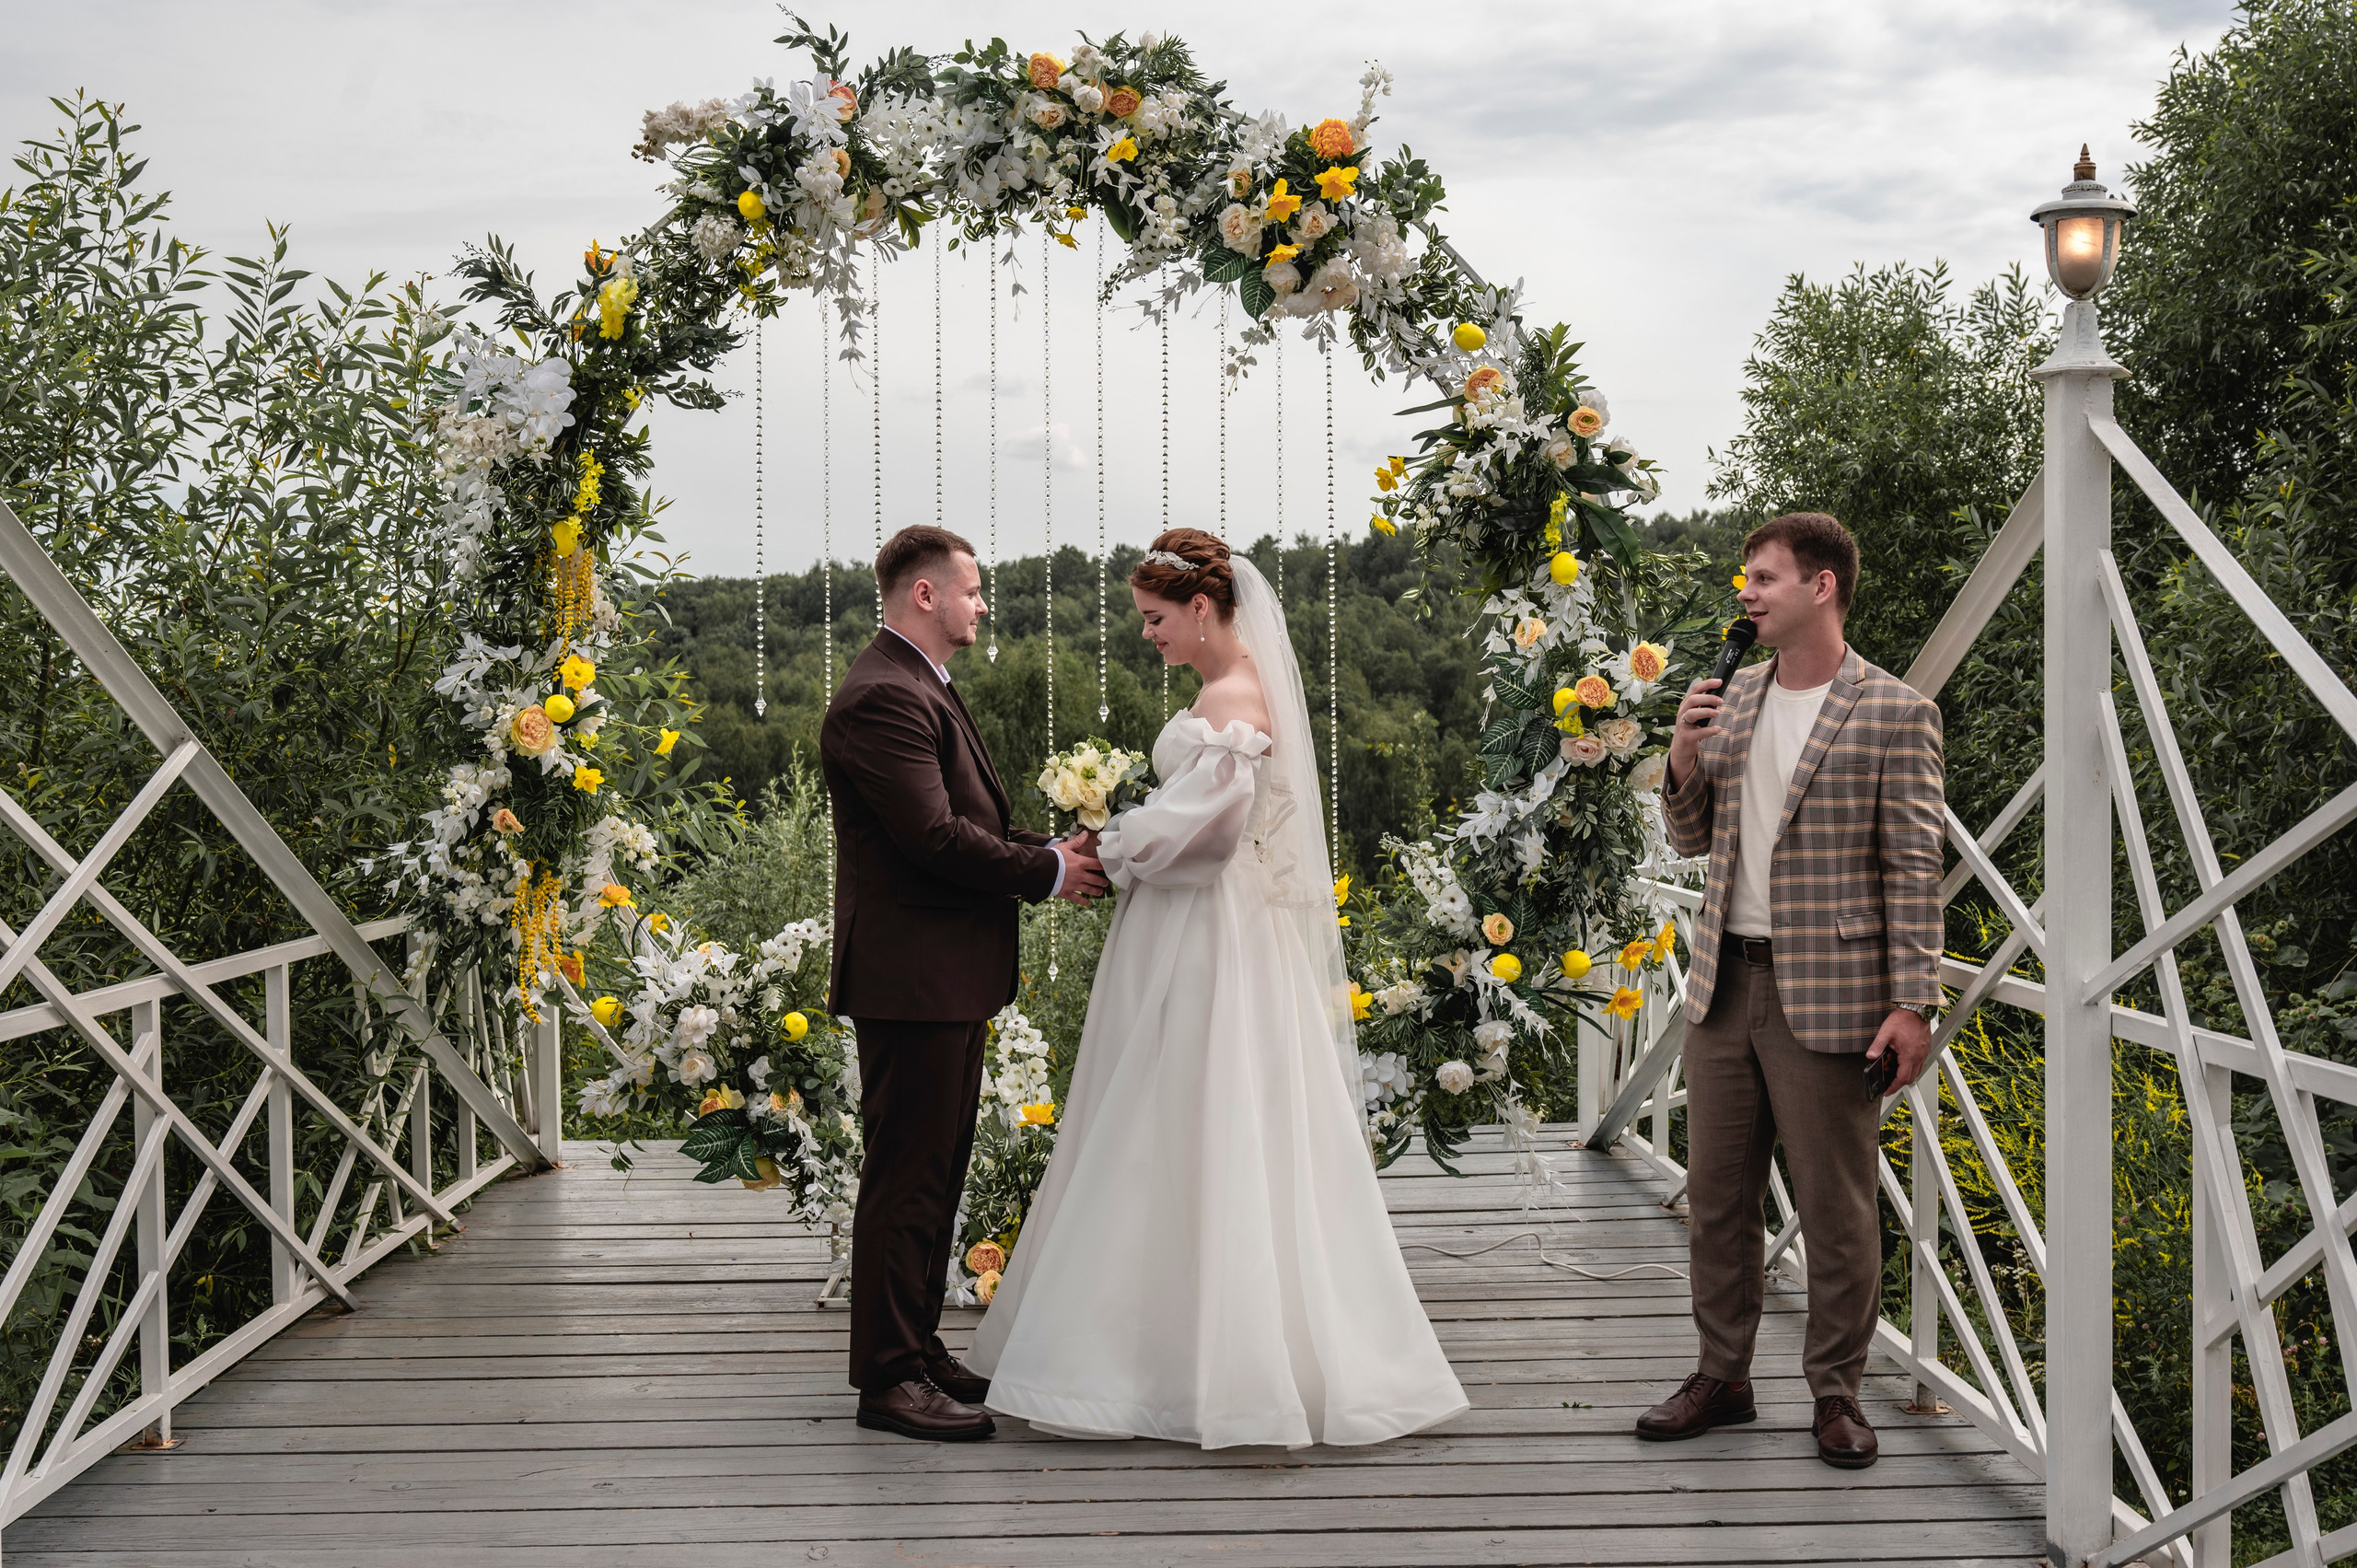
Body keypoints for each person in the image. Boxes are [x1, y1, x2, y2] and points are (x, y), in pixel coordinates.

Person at [965, 527, 1468, 1448]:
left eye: (1155, 617)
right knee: (1193, 1112)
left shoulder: (1233, 698)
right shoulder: (1233, 687)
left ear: (1201, 607)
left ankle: (1153, 1361)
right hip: (1211, 923)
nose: (1147, 632)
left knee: (1176, 1106)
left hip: (1207, 931)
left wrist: (1108, 845)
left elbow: (1208, 831)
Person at [1634, 512, 1944, 1470]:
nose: (1746, 592)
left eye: (1763, 577)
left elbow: (1913, 866)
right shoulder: (1730, 698)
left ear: (1821, 585)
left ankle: (1836, 1392)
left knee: (1837, 1207)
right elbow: (1691, 837)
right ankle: (1721, 1375)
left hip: (1834, 992)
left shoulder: (1896, 712)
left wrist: (1913, 1003)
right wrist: (1681, 758)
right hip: (1722, 985)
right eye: (1745, 577)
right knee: (1718, 1200)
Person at [819, 524, 1107, 1443]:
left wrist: (1050, 850)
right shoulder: (882, 695)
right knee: (905, 1175)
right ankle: (887, 1379)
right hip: (911, 980)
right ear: (926, 594)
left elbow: (964, 821)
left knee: (934, 1170)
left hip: (941, 977)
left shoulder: (921, 682)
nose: (983, 604)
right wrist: (1049, 872)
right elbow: (934, 838)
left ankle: (915, 1345)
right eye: (973, 590)